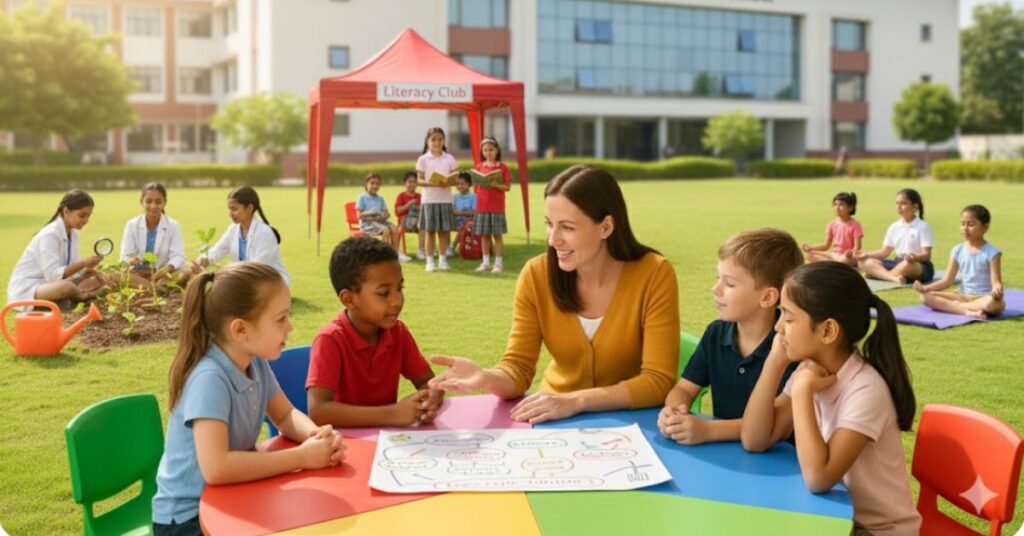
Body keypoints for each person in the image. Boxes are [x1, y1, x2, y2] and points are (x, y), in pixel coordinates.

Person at [428, 165, 679, 424]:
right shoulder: (536, 275)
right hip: (555, 422)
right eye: (549, 224)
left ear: (605, 227)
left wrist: (576, 401)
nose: (552, 239)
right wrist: (486, 377)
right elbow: (518, 367)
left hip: (633, 427)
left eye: (567, 227)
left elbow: (658, 380)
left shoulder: (654, 274)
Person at [152, 262, 346, 535]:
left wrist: (316, 436)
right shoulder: (210, 378)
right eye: (281, 319)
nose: (290, 327)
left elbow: (284, 415)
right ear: (240, 330)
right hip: (188, 519)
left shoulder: (255, 363)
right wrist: (301, 457)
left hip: (231, 497)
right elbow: (216, 468)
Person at [741, 262, 921, 535]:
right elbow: (755, 439)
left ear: (827, 331)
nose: (778, 327)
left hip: (876, 530)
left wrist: (802, 392)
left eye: (788, 318)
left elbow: (818, 477)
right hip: (833, 518)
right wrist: (774, 363)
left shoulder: (865, 390)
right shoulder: (810, 369)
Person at [658, 228, 803, 445]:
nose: (715, 289)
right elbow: (684, 388)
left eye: (730, 283)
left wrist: (708, 430)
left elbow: (774, 427)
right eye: (718, 279)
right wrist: (673, 412)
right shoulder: (715, 333)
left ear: (767, 297)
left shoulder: (792, 348)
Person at [307, 237, 443, 427]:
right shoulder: (330, 340)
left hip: (387, 443)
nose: (397, 300)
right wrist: (392, 414)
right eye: (383, 293)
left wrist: (431, 398)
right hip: (345, 446)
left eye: (399, 288)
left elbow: (429, 382)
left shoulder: (398, 333)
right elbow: (318, 411)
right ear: (348, 299)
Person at [7, 189, 106, 308]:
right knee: (65, 287)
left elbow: (72, 264)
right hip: (29, 288)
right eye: (81, 215)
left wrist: (86, 270)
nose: (86, 221)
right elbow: (53, 275)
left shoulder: (73, 232)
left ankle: (71, 299)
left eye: (88, 216)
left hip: (50, 285)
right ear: (66, 211)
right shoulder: (49, 234)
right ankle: (82, 297)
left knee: (96, 279)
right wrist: (82, 263)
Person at [914, 204, 1005, 319]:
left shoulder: (992, 253)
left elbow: (996, 282)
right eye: (963, 224)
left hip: (983, 297)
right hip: (962, 295)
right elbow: (947, 281)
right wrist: (926, 288)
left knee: (994, 305)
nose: (965, 228)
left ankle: (958, 307)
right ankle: (967, 311)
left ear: (985, 227)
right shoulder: (957, 250)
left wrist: (997, 290)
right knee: (925, 297)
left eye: (971, 224)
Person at [192, 186, 291, 285]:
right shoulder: (234, 229)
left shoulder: (264, 233)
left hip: (269, 284)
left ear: (249, 208)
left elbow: (257, 269)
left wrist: (225, 272)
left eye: (234, 209)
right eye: (229, 209)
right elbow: (217, 251)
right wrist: (203, 260)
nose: (230, 214)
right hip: (245, 281)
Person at [120, 182, 190, 288]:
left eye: (158, 202)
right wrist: (131, 260)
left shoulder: (173, 225)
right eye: (148, 201)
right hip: (139, 274)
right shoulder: (132, 225)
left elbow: (178, 255)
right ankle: (154, 288)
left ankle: (150, 287)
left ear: (164, 203)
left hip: (163, 274)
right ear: (141, 202)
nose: (153, 206)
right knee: (116, 276)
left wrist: (168, 268)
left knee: (186, 271)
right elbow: (125, 255)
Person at [857, 188, 934, 284]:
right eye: (897, 203)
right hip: (897, 263)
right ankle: (894, 278)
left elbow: (926, 255)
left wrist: (914, 257)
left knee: (907, 264)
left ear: (915, 207)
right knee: (863, 262)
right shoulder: (894, 227)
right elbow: (884, 252)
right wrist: (865, 254)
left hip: (917, 265)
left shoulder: (922, 227)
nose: (899, 206)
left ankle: (878, 274)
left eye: (903, 203)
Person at [415, 127, 458, 272]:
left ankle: (443, 260)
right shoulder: (423, 159)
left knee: (444, 232)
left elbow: (455, 180)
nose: (436, 142)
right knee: (430, 232)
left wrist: (448, 182)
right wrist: (433, 183)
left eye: (440, 139)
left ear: (444, 141)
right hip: (429, 201)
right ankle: (429, 262)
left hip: (445, 200)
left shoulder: (449, 158)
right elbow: (419, 181)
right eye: (433, 139)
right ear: (427, 141)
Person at [473, 137, 512, 274]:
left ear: (497, 150)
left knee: (497, 235)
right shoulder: (479, 166)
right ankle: (485, 262)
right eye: (485, 150)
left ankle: (498, 263)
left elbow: (507, 187)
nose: (488, 153)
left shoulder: (502, 167)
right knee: (484, 235)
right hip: (482, 206)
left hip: (496, 207)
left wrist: (495, 185)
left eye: (491, 149)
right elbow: (476, 188)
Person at [356, 173, 410, 262]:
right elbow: (358, 215)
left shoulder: (380, 199)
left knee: (394, 228)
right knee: (386, 230)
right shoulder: (362, 198)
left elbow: (387, 213)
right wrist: (371, 213)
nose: (375, 186)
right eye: (372, 183)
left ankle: (395, 253)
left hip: (379, 221)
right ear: (366, 184)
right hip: (367, 223)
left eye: (377, 184)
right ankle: (383, 256)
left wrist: (383, 216)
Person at [802, 192, 863, 266]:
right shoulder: (832, 224)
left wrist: (850, 253)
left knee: (846, 260)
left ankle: (832, 264)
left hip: (847, 257)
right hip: (834, 255)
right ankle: (833, 264)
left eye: (841, 205)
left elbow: (857, 248)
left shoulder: (855, 224)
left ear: (850, 208)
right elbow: (825, 245)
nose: (837, 207)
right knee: (810, 255)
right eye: (835, 204)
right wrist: (810, 248)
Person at [394, 171, 425, 260]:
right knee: (418, 222)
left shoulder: (420, 196)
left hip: (418, 223)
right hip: (404, 222)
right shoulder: (401, 196)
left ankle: (421, 250)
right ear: (405, 183)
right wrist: (409, 204)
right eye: (410, 182)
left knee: (423, 225)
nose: (412, 184)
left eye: (414, 182)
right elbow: (398, 211)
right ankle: (396, 251)